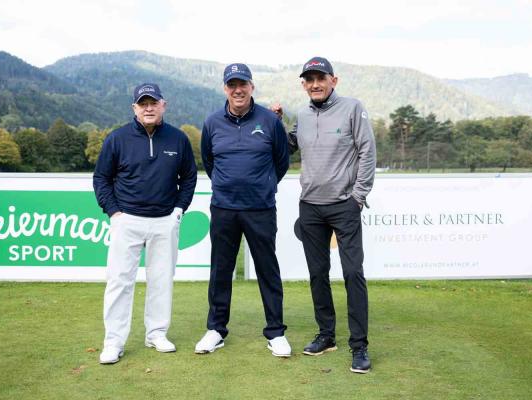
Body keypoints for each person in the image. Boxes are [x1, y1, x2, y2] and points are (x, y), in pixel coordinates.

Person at [273, 57, 376, 373]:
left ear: (334, 80)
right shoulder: (303, 115)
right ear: (304, 84)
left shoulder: (352, 107)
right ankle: (326, 335)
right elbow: (289, 145)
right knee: (318, 274)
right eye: (309, 79)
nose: (315, 84)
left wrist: (358, 196)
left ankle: (359, 346)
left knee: (353, 273)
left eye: (321, 78)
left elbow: (367, 150)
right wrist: (276, 122)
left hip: (345, 205)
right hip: (310, 206)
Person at [93, 83, 197, 364]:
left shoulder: (178, 139)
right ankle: (113, 342)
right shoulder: (117, 138)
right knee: (119, 281)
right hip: (127, 219)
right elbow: (101, 178)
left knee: (161, 280)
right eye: (143, 104)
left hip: (165, 220)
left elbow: (189, 177)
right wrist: (113, 212)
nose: (148, 108)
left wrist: (179, 210)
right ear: (134, 108)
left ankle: (157, 334)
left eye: (153, 103)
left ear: (164, 105)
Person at [195, 63, 291, 357]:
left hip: (260, 208)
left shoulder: (270, 121)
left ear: (252, 87)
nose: (238, 90)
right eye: (232, 85)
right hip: (224, 207)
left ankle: (276, 332)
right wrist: (228, 185)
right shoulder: (212, 122)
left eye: (243, 84)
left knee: (267, 269)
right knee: (220, 270)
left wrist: (263, 185)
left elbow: (281, 161)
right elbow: (209, 161)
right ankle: (216, 330)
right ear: (225, 88)